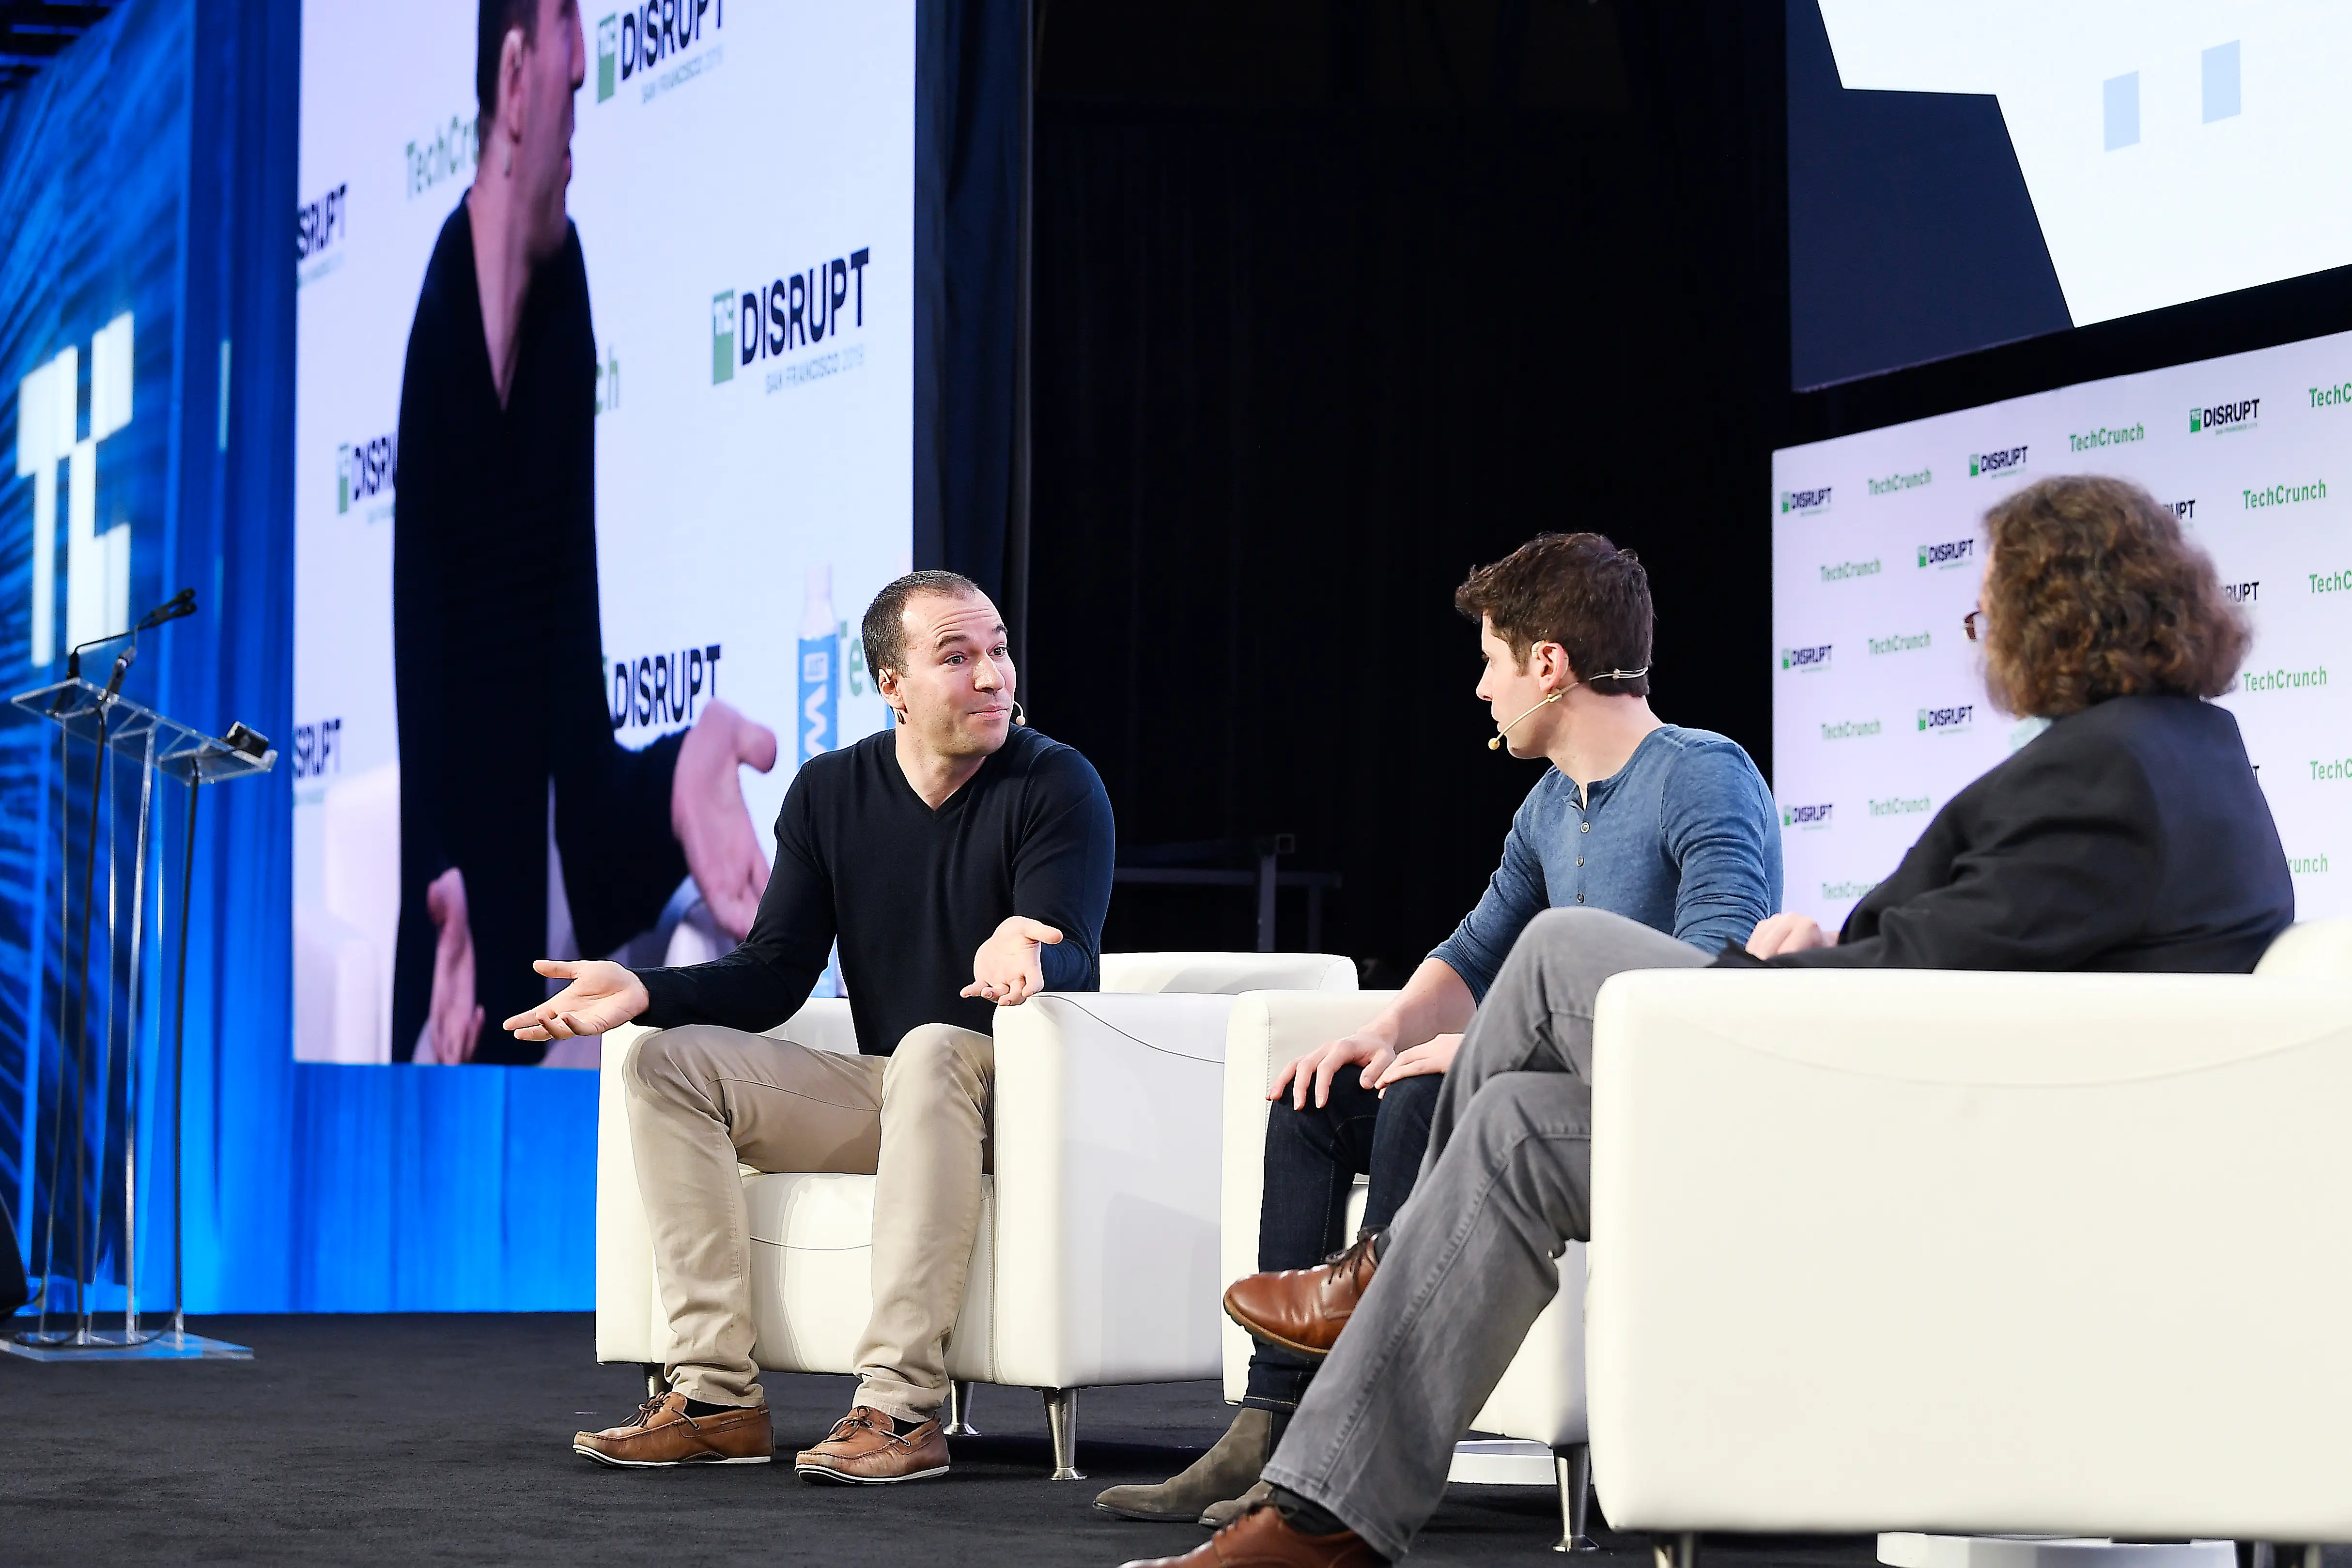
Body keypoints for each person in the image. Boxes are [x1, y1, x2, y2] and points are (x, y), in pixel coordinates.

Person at [1144, 474, 2294, 1567]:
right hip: (1923, 1095)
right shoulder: (2175, 753)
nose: (1978, 626)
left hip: (1918, 1124)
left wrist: (1804, 973)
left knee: (1556, 954)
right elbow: (1985, 960)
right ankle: (1323, 1517)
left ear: (2056, 611)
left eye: (1985, 600)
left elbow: (1940, 989)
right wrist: (1835, 949)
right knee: (1511, 1127)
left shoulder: (2105, 774)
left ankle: (1381, 1267)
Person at [1097, 533, 1782, 1527]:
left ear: (1547, 664)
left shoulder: (1701, 773)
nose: (1480, 689)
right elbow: (1469, 954)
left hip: (1643, 1088)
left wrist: (1484, 1049)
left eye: (1490, 659)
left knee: (1423, 1086)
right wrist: (1377, 1034)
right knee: (1326, 1089)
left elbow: (1710, 972)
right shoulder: (1547, 805)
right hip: (1549, 1065)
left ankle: (1367, 1364)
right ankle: (1268, 1419)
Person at [542, 571, 1115, 1479]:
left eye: (998, 650)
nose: (993, 675)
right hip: (898, 1087)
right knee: (666, 1065)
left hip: (1017, 1098)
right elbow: (772, 973)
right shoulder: (829, 792)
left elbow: (1074, 955)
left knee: (932, 1047)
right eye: (958, 657)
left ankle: (899, 1409)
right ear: (892, 684)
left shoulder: (1056, 782)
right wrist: (644, 990)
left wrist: (1029, 947)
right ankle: (716, 1395)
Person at [389, 0, 777, 1066]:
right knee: (454, 1036)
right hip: (466, 866)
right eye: (569, 73)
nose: (581, 104)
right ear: (515, 81)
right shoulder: (442, 309)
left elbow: (573, 658)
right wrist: (441, 872)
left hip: (560, 820)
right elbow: (420, 642)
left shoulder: (569, 298)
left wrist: (673, 781)